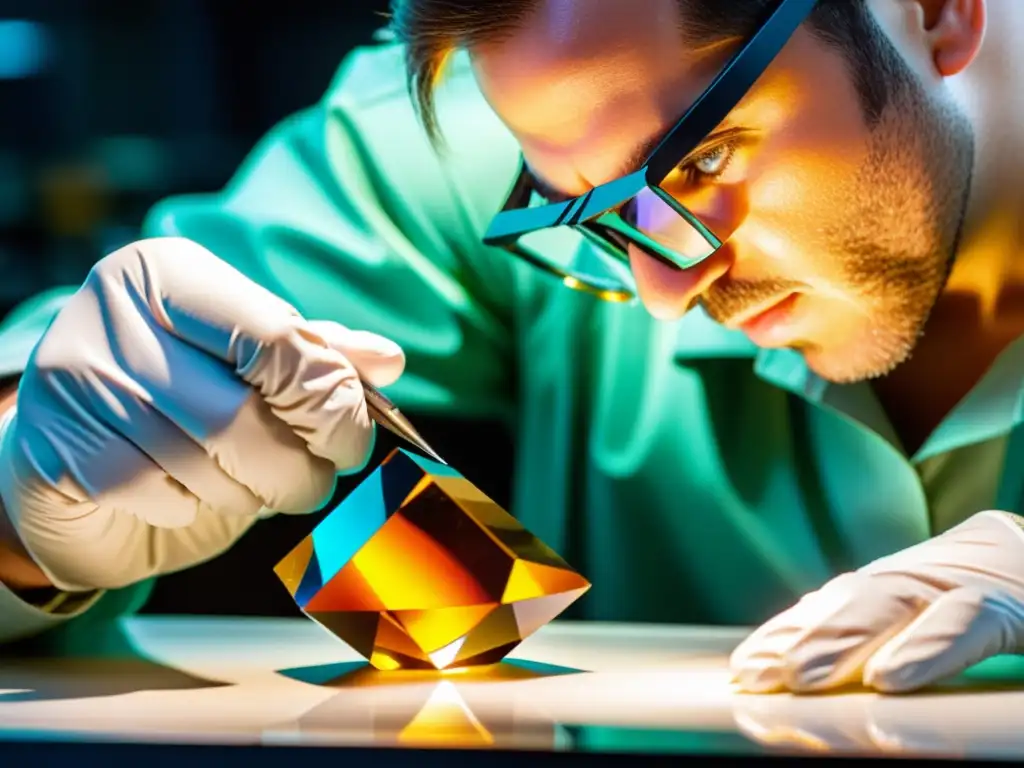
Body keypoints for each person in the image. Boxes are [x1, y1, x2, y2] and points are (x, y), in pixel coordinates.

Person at [0, 0, 1021, 695]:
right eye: (583, 220)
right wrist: (26, 511)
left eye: (703, 158)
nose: (659, 292)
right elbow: (95, 363)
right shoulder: (500, 129)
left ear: (934, 10)